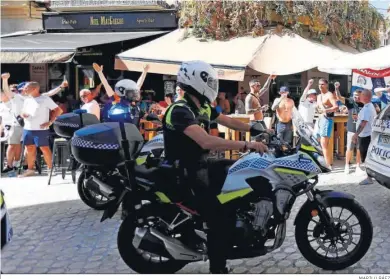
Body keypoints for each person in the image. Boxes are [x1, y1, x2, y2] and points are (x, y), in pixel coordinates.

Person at [162, 60, 268, 274]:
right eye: (209, 81)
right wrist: (248, 144)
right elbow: (207, 142)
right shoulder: (180, 110)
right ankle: (218, 267)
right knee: (221, 213)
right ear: (195, 82)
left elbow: (227, 120)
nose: (213, 85)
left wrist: (255, 128)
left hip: (201, 166)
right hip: (185, 173)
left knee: (241, 170)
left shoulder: (200, 107)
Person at [19, 82, 63, 177]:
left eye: (26, 88)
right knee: (29, 149)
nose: (24, 90)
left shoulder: (45, 99)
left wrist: (50, 122)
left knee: (44, 148)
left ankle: (51, 169)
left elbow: (58, 110)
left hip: (41, 129)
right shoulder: (27, 100)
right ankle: (30, 170)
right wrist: (22, 114)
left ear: (35, 89)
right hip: (28, 128)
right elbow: (22, 111)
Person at [352, 89, 377, 185]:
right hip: (366, 135)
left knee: (365, 158)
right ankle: (370, 176)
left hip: (365, 135)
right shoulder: (368, 106)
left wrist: (355, 134)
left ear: (365, 97)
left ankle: (369, 177)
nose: (359, 96)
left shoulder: (367, 108)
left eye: (361, 94)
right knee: (366, 157)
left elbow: (363, 123)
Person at [314, 78, 338, 169]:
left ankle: (328, 165)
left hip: (327, 119)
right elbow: (318, 107)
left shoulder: (329, 95)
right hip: (319, 119)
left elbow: (336, 107)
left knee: (324, 143)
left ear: (326, 85)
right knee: (317, 140)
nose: (320, 86)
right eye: (319, 84)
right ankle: (322, 162)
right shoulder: (319, 96)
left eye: (323, 84)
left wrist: (326, 109)